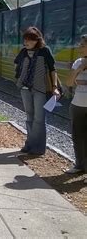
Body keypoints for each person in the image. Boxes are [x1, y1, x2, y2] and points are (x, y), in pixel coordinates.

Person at [13, 27, 60, 155]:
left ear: (36, 40)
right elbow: (16, 64)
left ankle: (38, 148)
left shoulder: (45, 51)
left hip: (40, 89)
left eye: (29, 40)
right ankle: (29, 144)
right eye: (25, 40)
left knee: (39, 118)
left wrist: (55, 87)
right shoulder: (23, 52)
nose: (26, 42)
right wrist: (20, 75)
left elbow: (52, 69)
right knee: (29, 116)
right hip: (25, 88)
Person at [64, 34, 87, 180]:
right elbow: (70, 82)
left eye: (83, 45)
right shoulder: (78, 62)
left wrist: (82, 82)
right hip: (77, 104)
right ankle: (79, 165)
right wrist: (79, 69)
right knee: (77, 137)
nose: (79, 47)